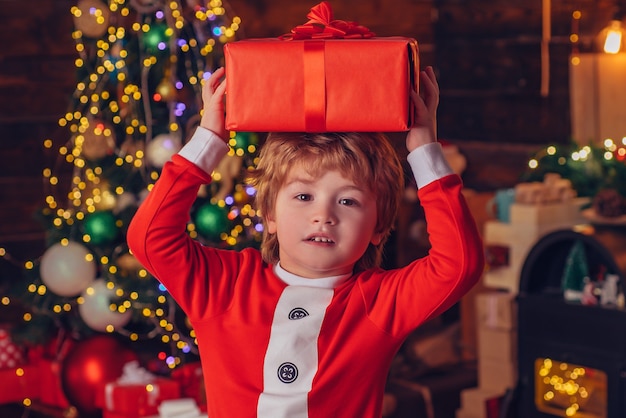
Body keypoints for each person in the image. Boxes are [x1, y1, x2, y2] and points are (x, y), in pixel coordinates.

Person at [127, 65, 484, 417]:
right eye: (303, 197)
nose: (324, 215)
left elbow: (459, 265)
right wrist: (209, 140)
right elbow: (149, 238)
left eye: (348, 201)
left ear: (379, 229)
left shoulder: (380, 304)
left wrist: (424, 149)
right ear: (269, 215)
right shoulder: (226, 285)